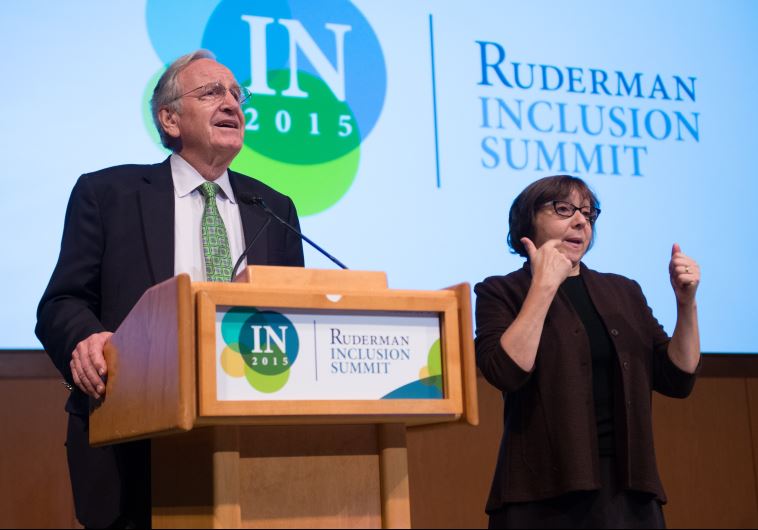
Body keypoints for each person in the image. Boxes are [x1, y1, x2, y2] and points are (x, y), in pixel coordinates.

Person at [35, 50, 304, 529]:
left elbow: (295, 317)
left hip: (253, 441)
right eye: (212, 92)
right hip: (133, 440)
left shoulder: (273, 207)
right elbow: (62, 302)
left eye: (236, 94)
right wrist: (86, 340)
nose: (231, 103)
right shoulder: (108, 195)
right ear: (170, 119)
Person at [474, 175, 700, 529]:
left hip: (627, 492)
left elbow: (677, 378)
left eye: (588, 212)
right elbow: (506, 372)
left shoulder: (623, 291)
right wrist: (544, 286)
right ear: (528, 219)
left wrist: (686, 304)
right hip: (541, 494)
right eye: (564, 209)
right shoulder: (501, 292)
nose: (581, 221)